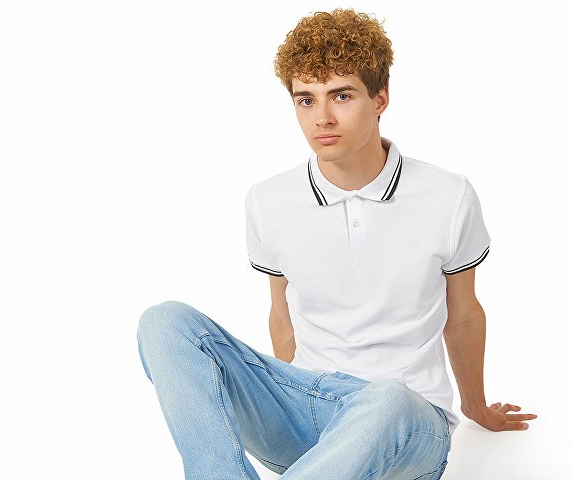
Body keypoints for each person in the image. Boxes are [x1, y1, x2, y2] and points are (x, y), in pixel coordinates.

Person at [136, 8, 537, 480]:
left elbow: (463, 313)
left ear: (380, 98)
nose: (322, 117)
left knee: (387, 397)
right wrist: (282, 396)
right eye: (306, 100)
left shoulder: (448, 195)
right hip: (307, 410)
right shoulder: (268, 201)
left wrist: (475, 406)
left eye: (341, 96)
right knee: (165, 322)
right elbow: (282, 316)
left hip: (406, 424)